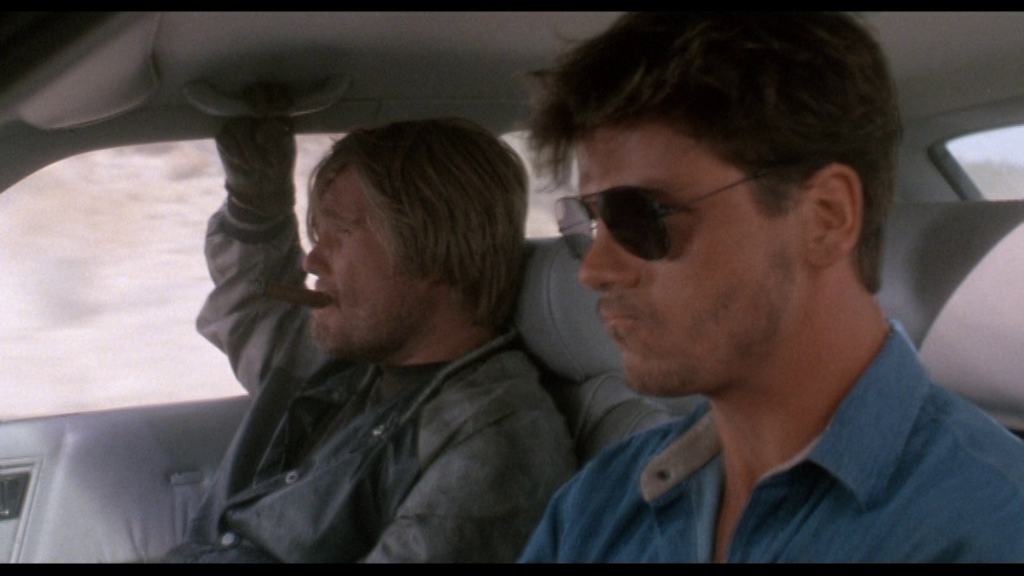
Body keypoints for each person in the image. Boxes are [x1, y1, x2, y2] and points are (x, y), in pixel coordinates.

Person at [517, 12, 1024, 562]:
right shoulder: (597, 505)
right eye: (586, 220)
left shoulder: (988, 528)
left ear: (825, 216)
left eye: (639, 215)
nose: (593, 271)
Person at [163, 116, 576, 562]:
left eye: (339, 234)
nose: (312, 262)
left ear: (433, 250)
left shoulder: (490, 444)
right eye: (317, 236)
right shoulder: (353, 357)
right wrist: (255, 205)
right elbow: (255, 313)